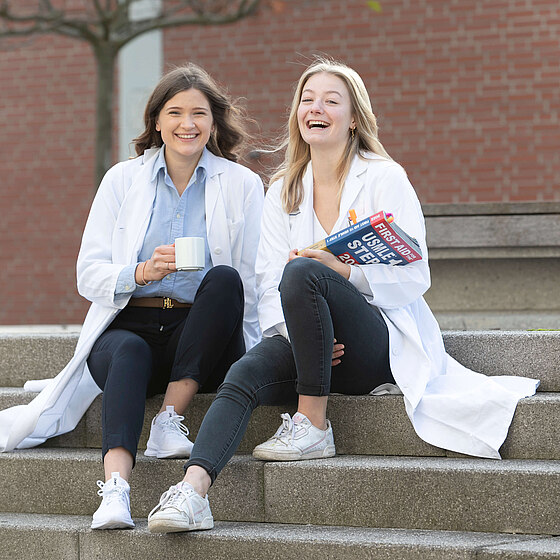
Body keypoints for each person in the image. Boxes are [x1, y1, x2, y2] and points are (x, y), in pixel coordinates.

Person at [146, 57, 539, 534]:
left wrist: (347, 274)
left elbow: (416, 276)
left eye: (331, 101)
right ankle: (192, 493)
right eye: (307, 100)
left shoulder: (384, 177)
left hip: (373, 345)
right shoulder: (283, 190)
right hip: (309, 345)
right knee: (244, 372)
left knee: (305, 270)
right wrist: (306, 336)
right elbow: (265, 282)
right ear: (297, 115)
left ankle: (313, 425)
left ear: (353, 117)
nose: (317, 108)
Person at [0, 64, 264, 530]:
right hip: (131, 324)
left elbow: (259, 279)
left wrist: (282, 343)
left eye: (199, 113)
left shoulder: (240, 185)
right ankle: (116, 491)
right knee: (125, 348)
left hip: (201, 338)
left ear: (214, 122)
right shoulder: (122, 180)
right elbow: (88, 273)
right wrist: (140, 272)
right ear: (156, 122)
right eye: (175, 112)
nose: (188, 124)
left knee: (224, 279)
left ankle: (169, 418)